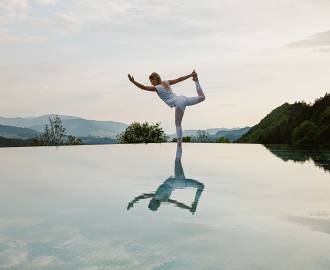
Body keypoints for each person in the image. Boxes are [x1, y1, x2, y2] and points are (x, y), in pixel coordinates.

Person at [127, 70, 206, 146]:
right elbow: (178, 79)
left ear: (155, 79)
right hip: (182, 98)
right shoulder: (166, 82)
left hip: (178, 102)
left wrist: (133, 81)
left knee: (178, 124)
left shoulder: (157, 87)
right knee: (202, 97)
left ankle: (179, 145)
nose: (151, 83)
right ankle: (196, 80)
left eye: (152, 81)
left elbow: (143, 87)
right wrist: (190, 75)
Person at [127, 144, 205, 214]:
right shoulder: (155, 196)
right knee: (177, 160)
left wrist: (189, 208)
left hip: (180, 185)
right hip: (177, 181)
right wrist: (133, 201)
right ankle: (179, 142)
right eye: (150, 202)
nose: (150, 200)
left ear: (159, 205)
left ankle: (195, 203)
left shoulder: (165, 199)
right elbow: (142, 196)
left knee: (201, 186)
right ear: (152, 201)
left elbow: (177, 204)